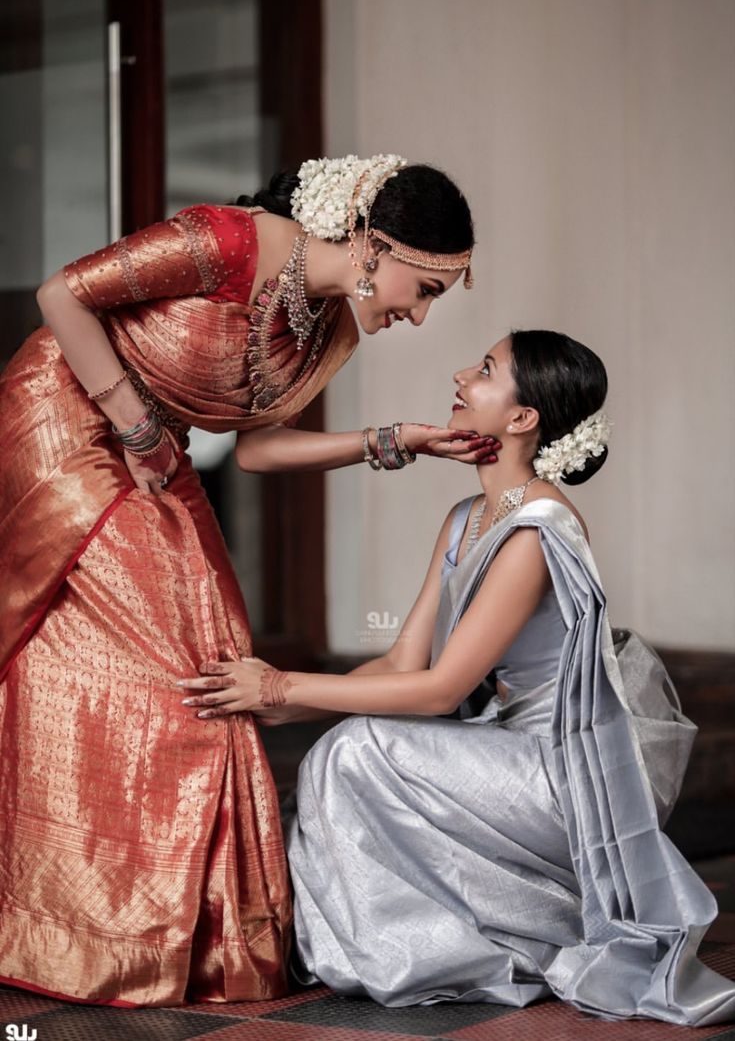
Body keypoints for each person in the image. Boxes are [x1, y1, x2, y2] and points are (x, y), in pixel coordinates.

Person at [0, 154, 500, 1008]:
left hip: (147, 442)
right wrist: (132, 422)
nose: (416, 317)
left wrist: (393, 440)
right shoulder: (224, 242)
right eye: (422, 290)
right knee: (173, 667)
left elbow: (261, 449)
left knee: (222, 661)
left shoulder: (331, 325)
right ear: (374, 245)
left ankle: (193, 935)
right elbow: (60, 296)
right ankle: (88, 933)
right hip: (65, 417)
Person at [183, 329, 735, 1027]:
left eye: (483, 370)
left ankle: (406, 952)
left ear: (521, 418)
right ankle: (381, 946)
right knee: (342, 751)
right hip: (504, 750)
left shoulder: (537, 528)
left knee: (358, 751)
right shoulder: (464, 518)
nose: (459, 375)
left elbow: (441, 690)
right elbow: (401, 661)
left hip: (560, 774)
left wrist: (284, 685)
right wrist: (273, 705)